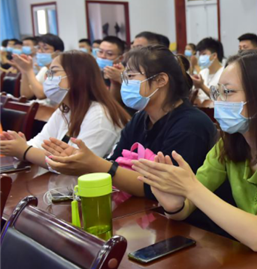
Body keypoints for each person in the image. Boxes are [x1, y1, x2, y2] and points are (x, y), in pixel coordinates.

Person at [129, 50, 257, 269]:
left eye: (229, 92)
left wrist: (191, 187)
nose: (219, 101)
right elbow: (187, 206)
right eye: (218, 92)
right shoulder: (230, 144)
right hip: (244, 256)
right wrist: (174, 204)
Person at [42, 46, 217, 201]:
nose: (125, 83)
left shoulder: (191, 126)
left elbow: (159, 189)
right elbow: (116, 162)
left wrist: (94, 164)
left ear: (161, 80)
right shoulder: (141, 118)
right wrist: (81, 160)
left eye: (131, 76)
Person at [0, 51, 130, 167]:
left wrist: (24, 150)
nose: (47, 78)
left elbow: (75, 165)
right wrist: (18, 146)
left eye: (54, 72)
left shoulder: (100, 116)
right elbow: (41, 142)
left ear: (76, 76)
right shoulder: (66, 109)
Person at [11, 33, 65, 100]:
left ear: (57, 53)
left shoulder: (60, 71)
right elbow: (26, 95)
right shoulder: (44, 70)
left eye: (45, 48)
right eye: (39, 48)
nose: (39, 51)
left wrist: (29, 70)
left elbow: (41, 95)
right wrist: (24, 71)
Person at [192, 37, 224, 106]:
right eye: (200, 55)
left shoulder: (224, 73)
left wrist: (201, 85)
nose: (201, 57)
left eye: (204, 54)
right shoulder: (202, 73)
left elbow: (220, 98)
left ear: (214, 55)